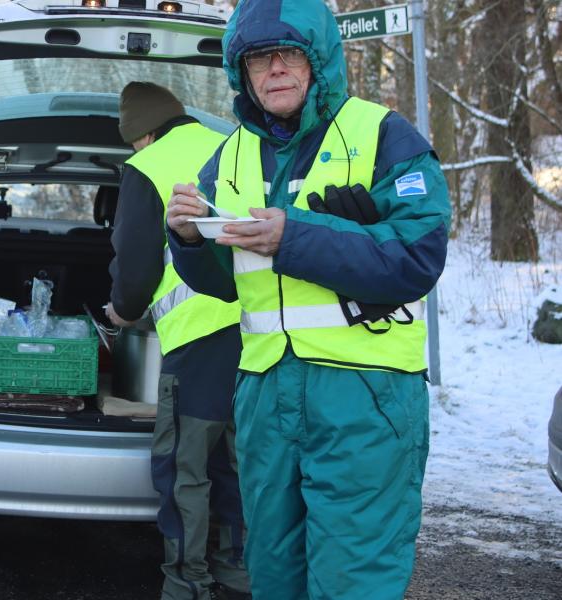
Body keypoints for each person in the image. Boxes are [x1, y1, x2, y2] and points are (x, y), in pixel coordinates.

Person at [164, 0, 450, 598]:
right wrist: (188, 239)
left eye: (288, 54)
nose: (273, 70)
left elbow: (418, 256)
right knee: (272, 573)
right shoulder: (231, 154)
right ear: (240, 73)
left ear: (317, 60)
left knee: (353, 578)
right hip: (267, 397)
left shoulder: (384, 135)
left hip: (365, 395)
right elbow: (226, 281)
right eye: (257, 60)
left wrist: (295, 239)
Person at [105, 82, 249, 600]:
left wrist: (119, 313)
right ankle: (239, 574)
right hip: (258, 337)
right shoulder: (230, 147)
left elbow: (137, 266)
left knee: (185, 470)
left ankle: (187, 584)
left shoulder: (147, 167)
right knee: (239, 464)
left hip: (198, 345)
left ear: (140, 134)